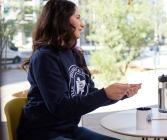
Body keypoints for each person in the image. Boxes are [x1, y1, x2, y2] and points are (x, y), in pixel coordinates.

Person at [17, 0, 141, 140]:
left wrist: (120, 94)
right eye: (77, 18)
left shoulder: (75, 55)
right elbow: (61, 108)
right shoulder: (45, 57)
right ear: (61, 20)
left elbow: (90, 94)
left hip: (70, 131)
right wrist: (105, 94)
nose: (82, 24)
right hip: (42, 134)